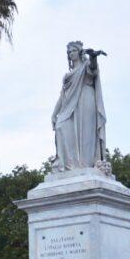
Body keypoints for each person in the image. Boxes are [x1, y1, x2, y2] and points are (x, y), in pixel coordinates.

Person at [52, 41, 106, 170]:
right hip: (69, 104)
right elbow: (62, 96)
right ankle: (68, 164)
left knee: (85, 133)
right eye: (69, 52)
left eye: (74, 51)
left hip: (85, 99)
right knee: (61, 127)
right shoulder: (67, 76)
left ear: (80, 52)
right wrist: (54, 114)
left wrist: (93, 57)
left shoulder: (86, 65)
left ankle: (86, 165)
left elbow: (93, 70)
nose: (71, 53)